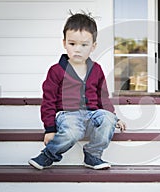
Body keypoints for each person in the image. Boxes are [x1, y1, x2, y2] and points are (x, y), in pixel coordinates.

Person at [28, 11, 126, 170]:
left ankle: (93, 155)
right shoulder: (57, 70)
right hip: (67, 115)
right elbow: (48, 101)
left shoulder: (97, 70)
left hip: (92, 114)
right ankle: (48, 155)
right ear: (64, 43)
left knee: (108, 119)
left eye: (84, 45)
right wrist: (50, 129)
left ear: (93, 46)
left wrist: (114, 117)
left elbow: (103, 97)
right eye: (72, 44)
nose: (77, 50)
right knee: (73, 131)